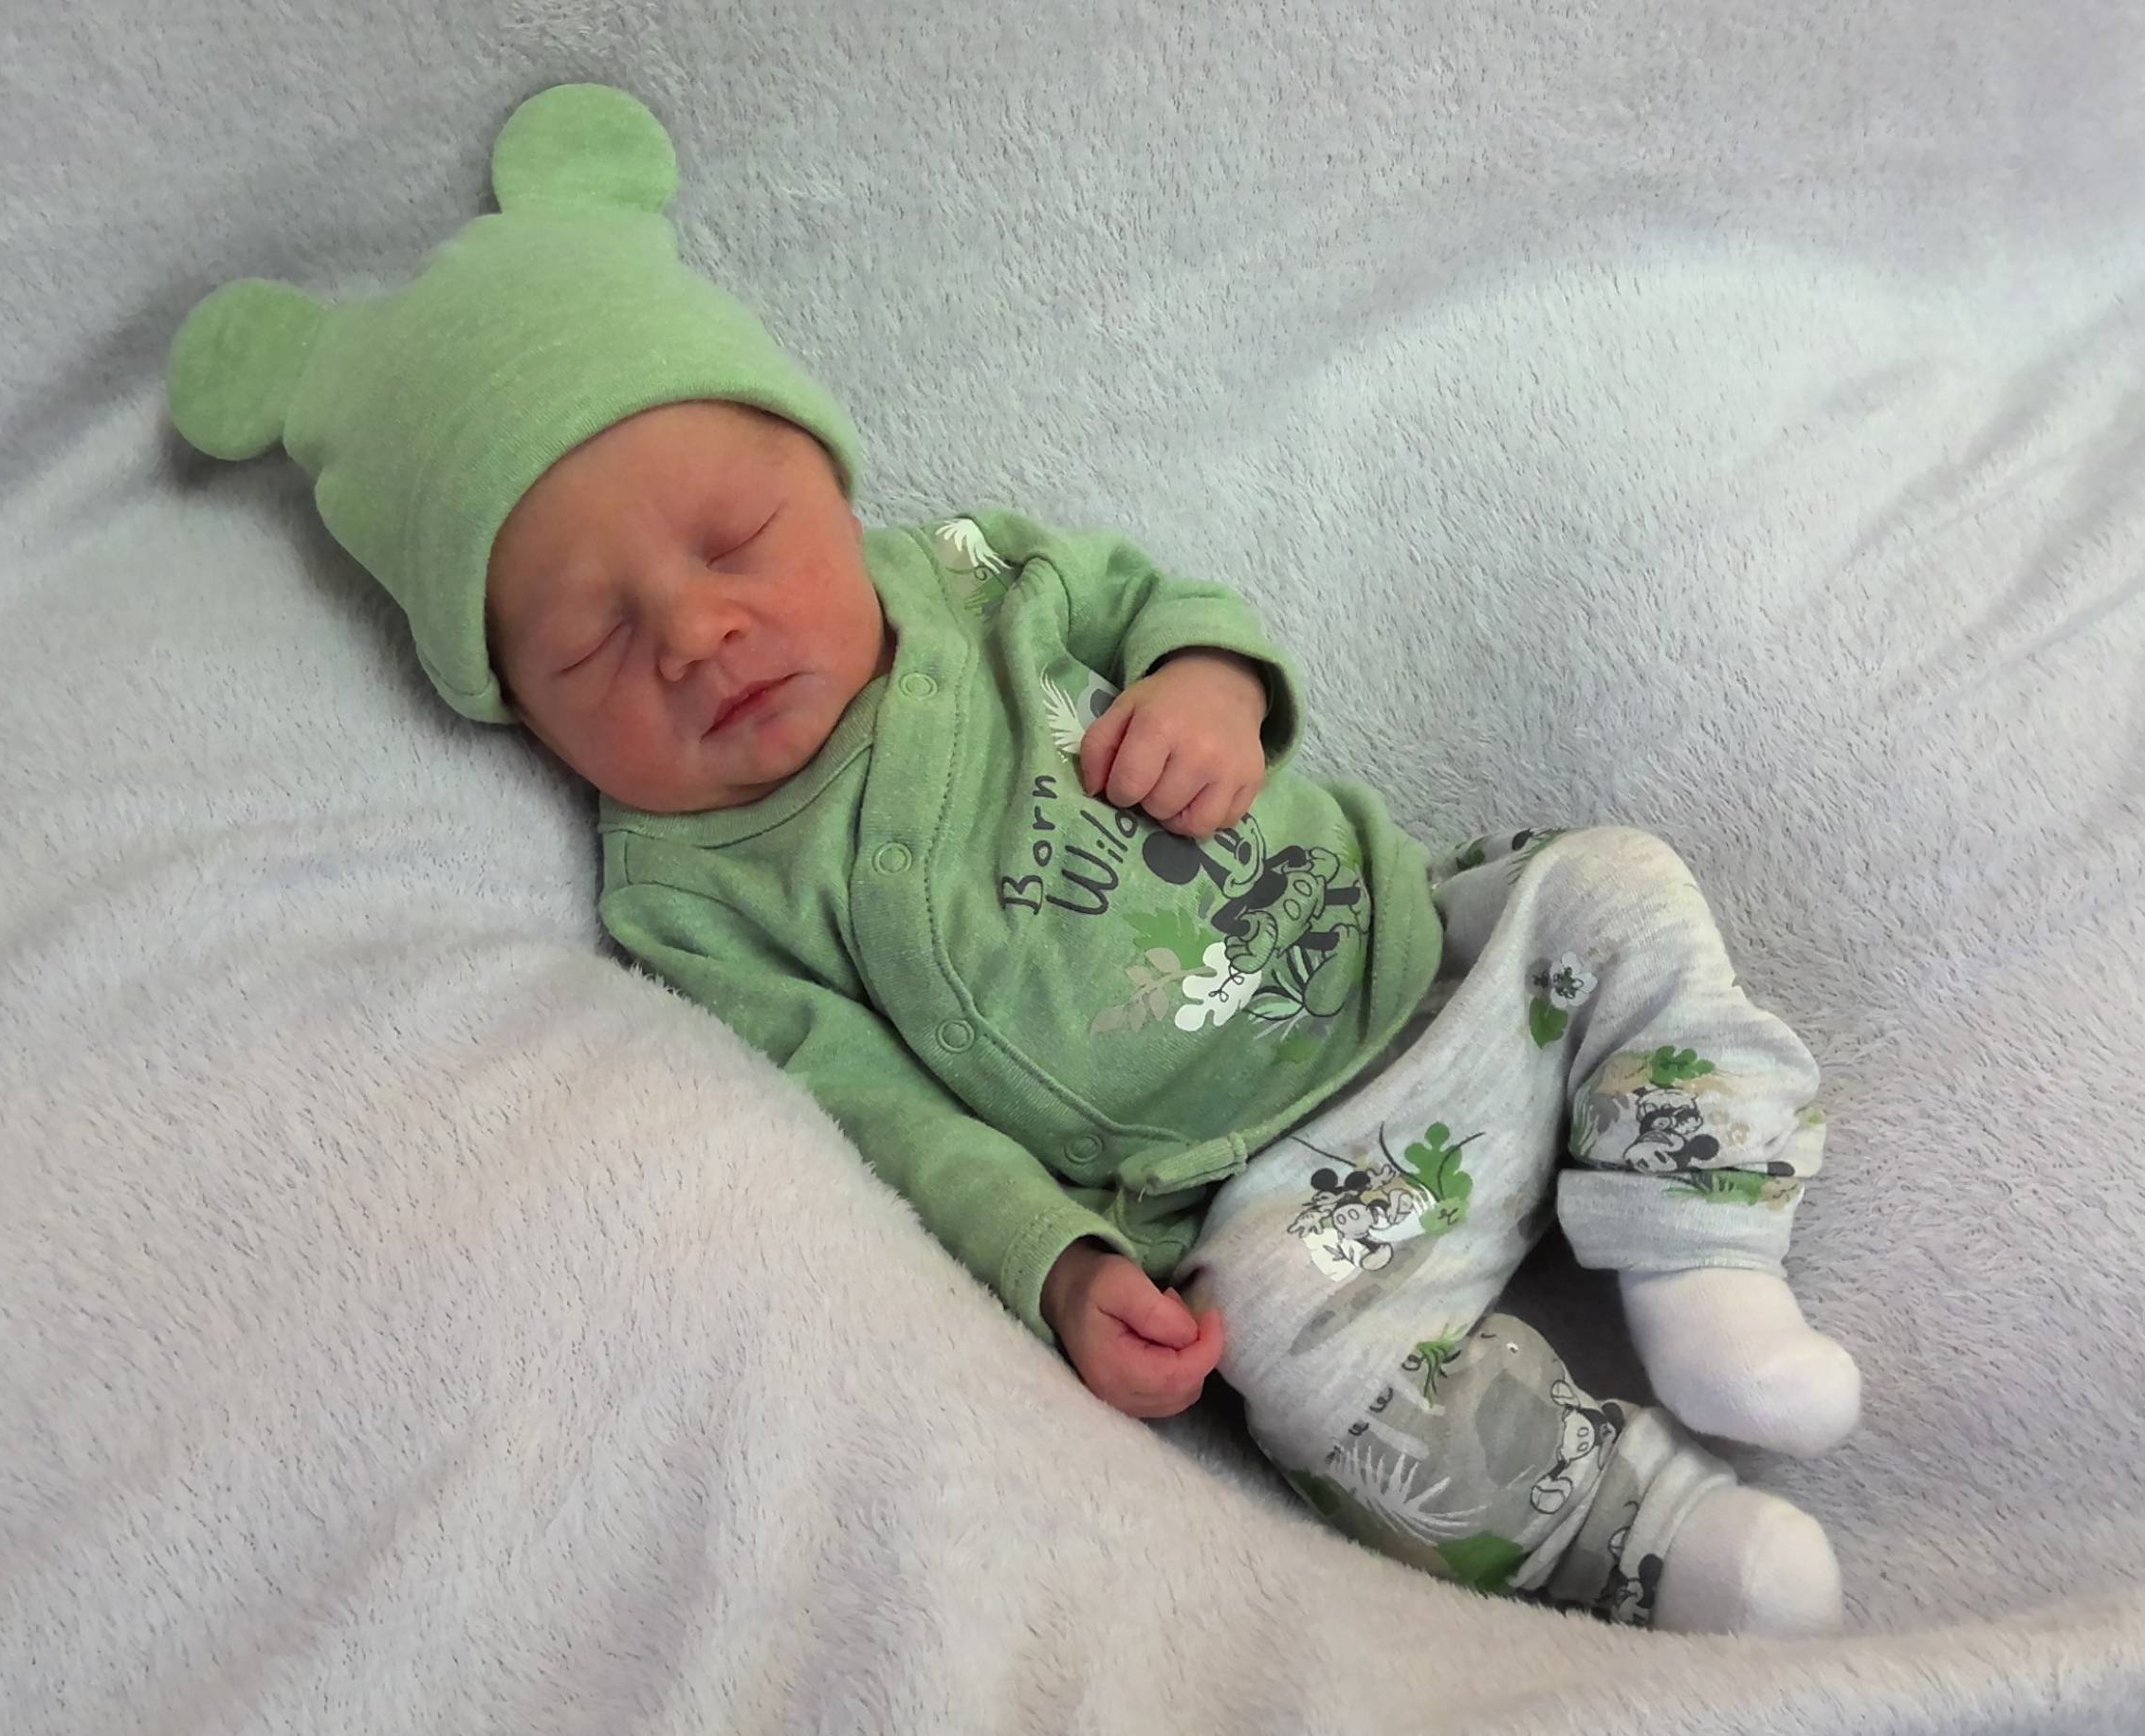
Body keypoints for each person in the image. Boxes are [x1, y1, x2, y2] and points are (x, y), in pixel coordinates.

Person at [167, 82, 1861, 1636]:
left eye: (735, 539)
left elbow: (1156, 598)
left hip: (1430, 957)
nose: (693, 631)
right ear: (515, 710)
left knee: (1613, 880)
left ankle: (1702, 1258)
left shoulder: (972, 571)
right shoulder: (690, 898)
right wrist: (1055, 1264)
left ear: (831, 484)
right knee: (1289, 1361)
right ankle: (1648, 1538)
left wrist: (1210, 687)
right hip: (1276, 1190)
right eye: (589, 644)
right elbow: (874, 1116)